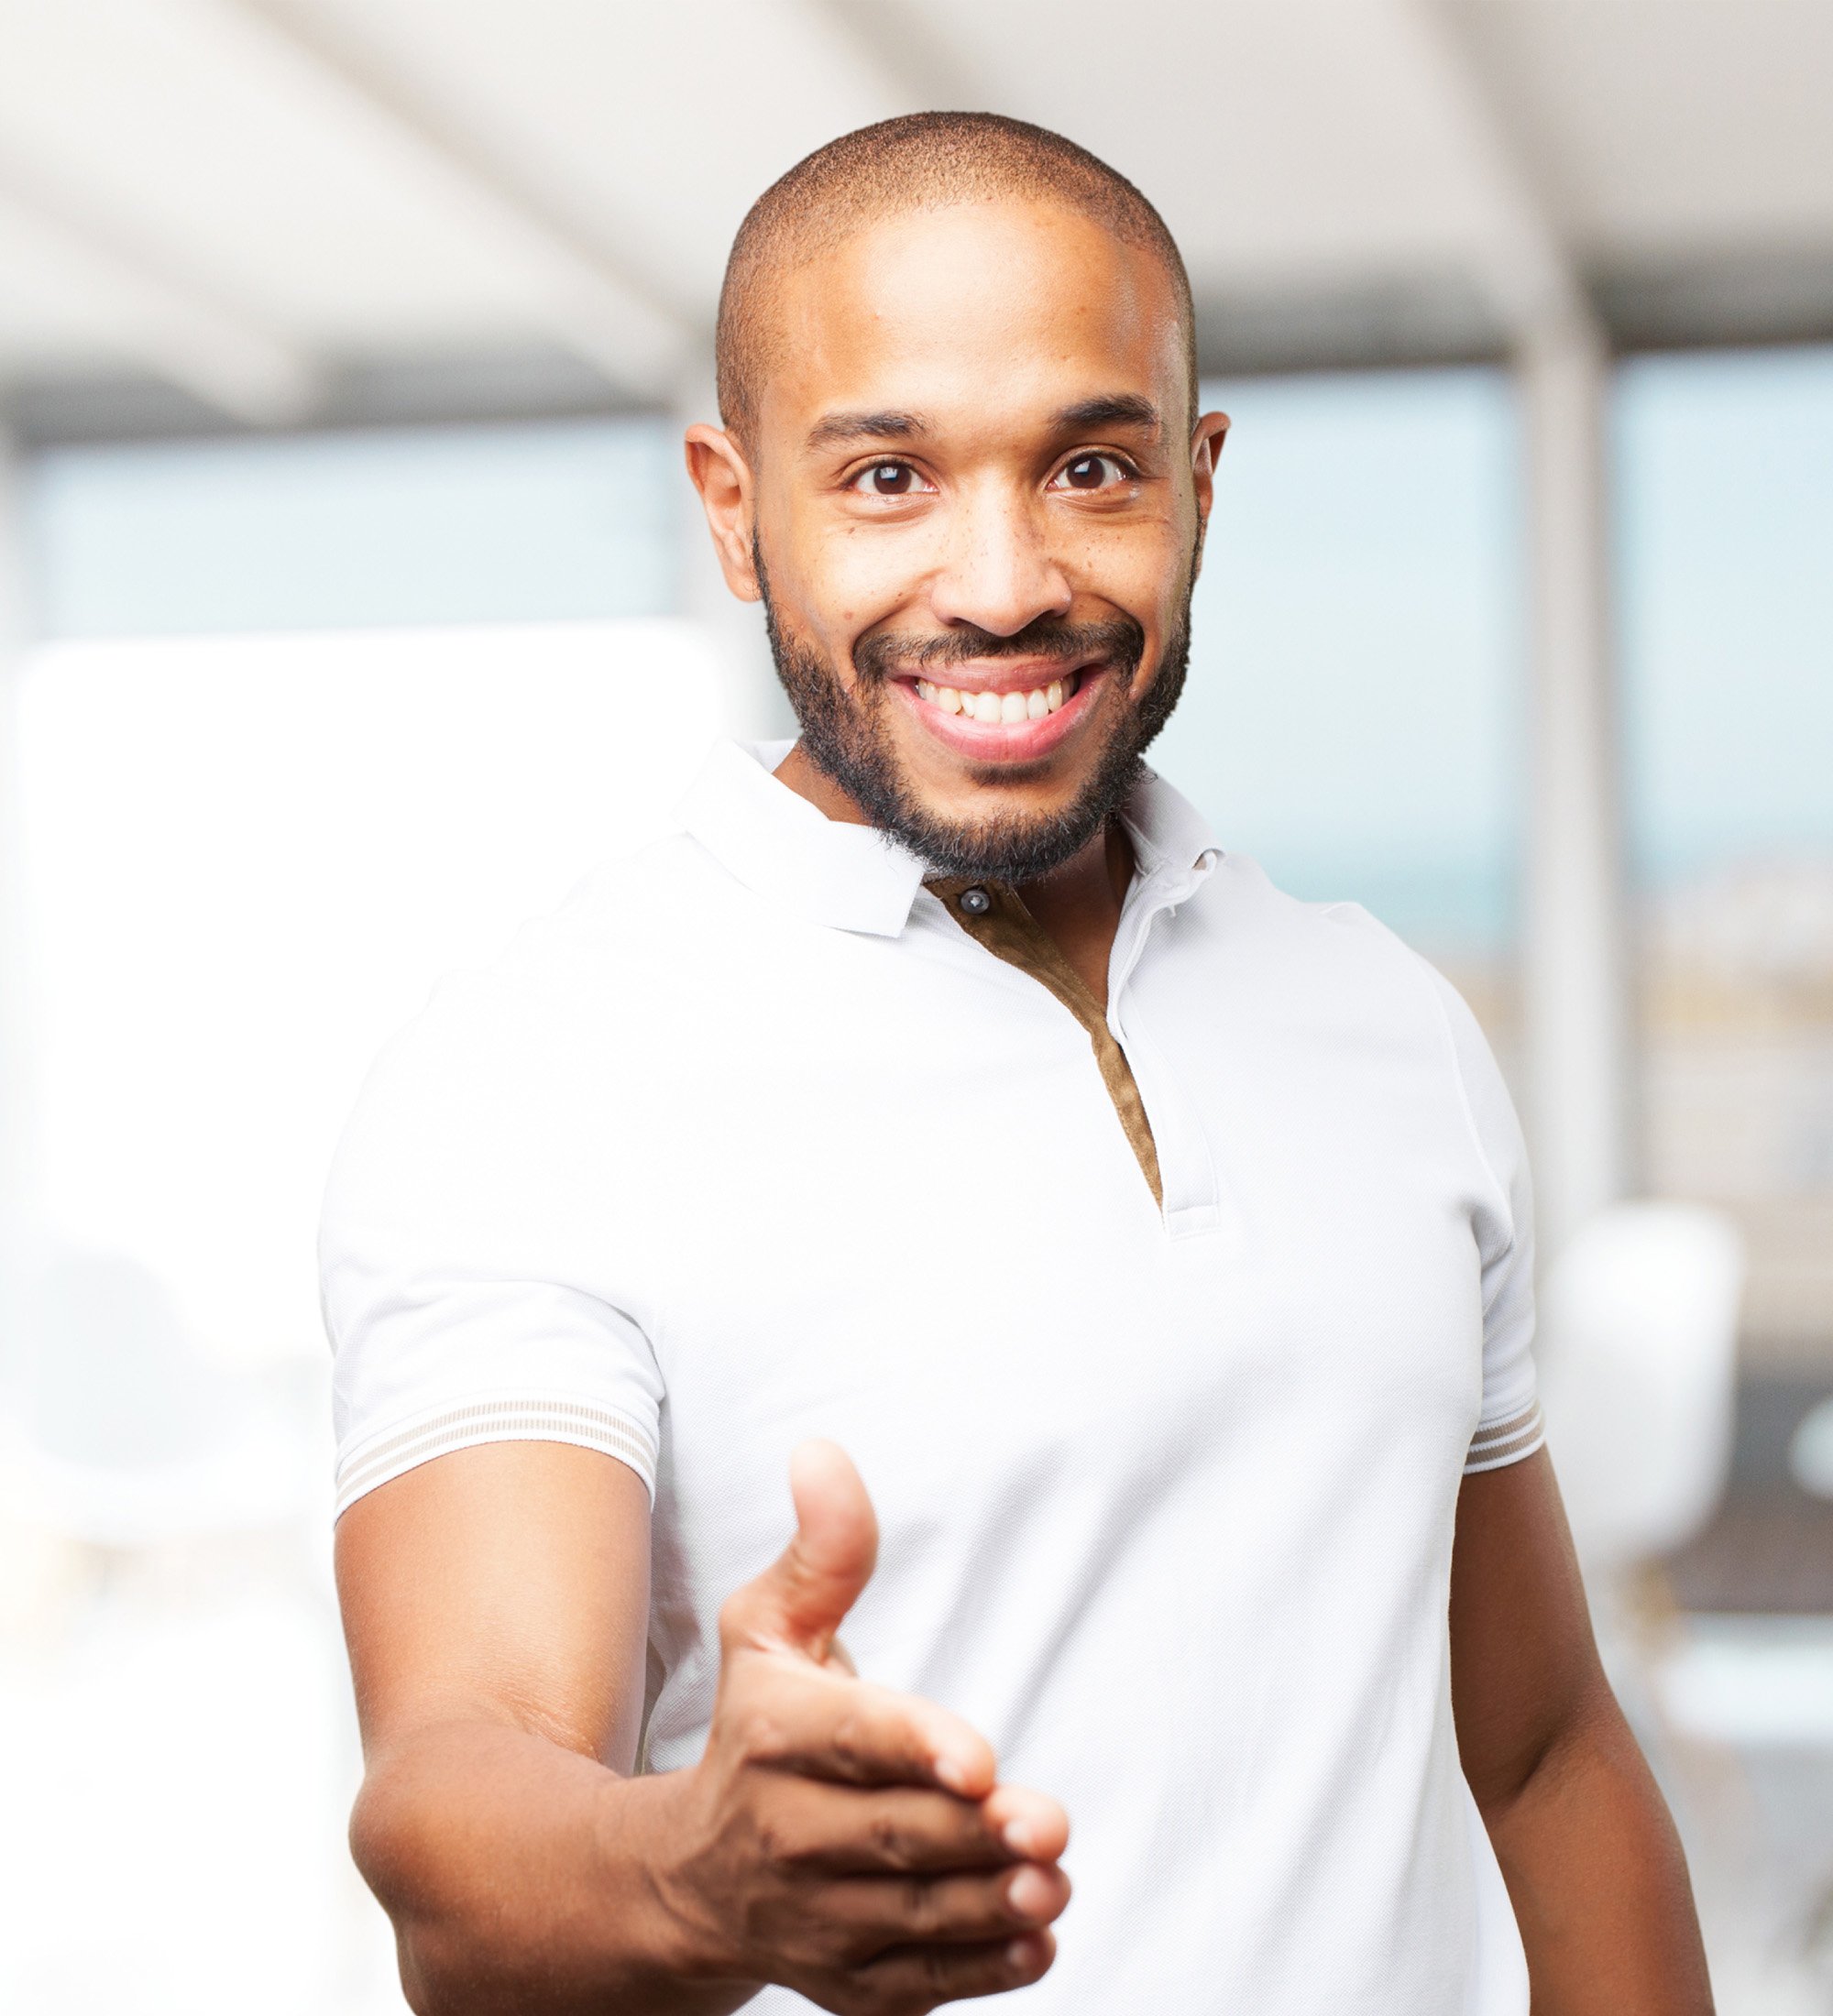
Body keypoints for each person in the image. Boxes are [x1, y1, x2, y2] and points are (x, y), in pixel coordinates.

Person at [320, 114, 1712, 2014]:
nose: (1002, 580)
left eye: (1089, 464)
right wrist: (704, 1871)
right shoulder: (534, 1074)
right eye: (886, 475)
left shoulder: (1388, 1021)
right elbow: (454, 1821)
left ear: (1198, 480)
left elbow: (1541, 1747)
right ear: (734, 509)